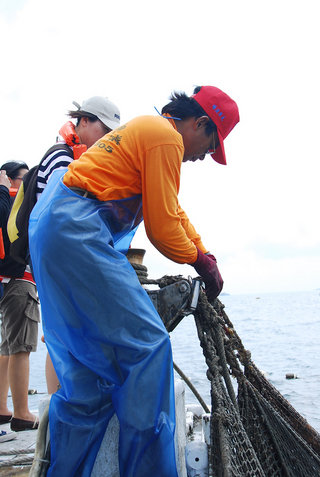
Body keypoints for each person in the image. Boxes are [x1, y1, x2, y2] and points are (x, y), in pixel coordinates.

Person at [29, 85, 239, 476]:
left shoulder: (150, 132)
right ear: (201, 123)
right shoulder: (165, 137)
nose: (203, 157)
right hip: (77, 232)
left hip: (55, 230)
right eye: (210, 146)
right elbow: (161, 229)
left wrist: (203, 253)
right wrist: (199, 262)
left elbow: (172, 209)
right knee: (148, 348)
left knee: (89, 379)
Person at [35, 96, 121, 394]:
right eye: (105, 130)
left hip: (55, 259)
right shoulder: (62, 156)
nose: (108, 138)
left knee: (63, 332)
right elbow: (58, 211)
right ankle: (57, 402)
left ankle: (61, 402)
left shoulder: (75, 155)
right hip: (57, 259)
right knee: (60, 336)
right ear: (84, 121)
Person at [0, 161, 40, 432]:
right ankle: (23, 413)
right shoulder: (10, 203)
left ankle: (3, 408)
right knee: (21, 348)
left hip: (6, 282)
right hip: (20, 282)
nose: (28, 185)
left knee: (7, 347)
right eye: (23, 180)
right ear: (11, 180)